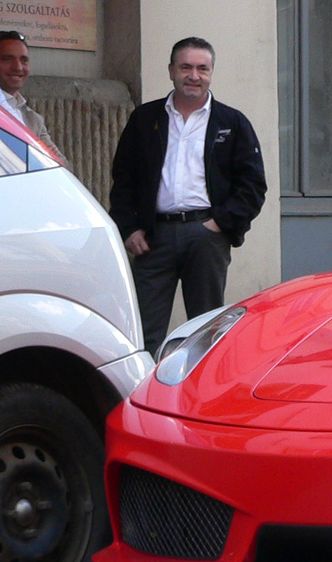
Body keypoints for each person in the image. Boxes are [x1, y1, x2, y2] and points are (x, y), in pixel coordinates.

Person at [110, 37, 267, 356]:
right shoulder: (145, 119)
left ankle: (200, 397)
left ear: (211, 73)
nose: (193, 75)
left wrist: (221, 224)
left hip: (206, 236)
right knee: (144, 330)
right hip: (154, 238)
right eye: (185, 67)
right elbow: (123, 178)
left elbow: (252, 185)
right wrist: (128, 228)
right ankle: (145, 394)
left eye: (202, 68)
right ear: (171, 71)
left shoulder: (231, 122)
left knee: (205, 330)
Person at [0, 30, 61, 160]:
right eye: (7, 59)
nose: (18, 67)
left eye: (24, 60)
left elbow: (61, 165)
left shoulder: (34, 119)